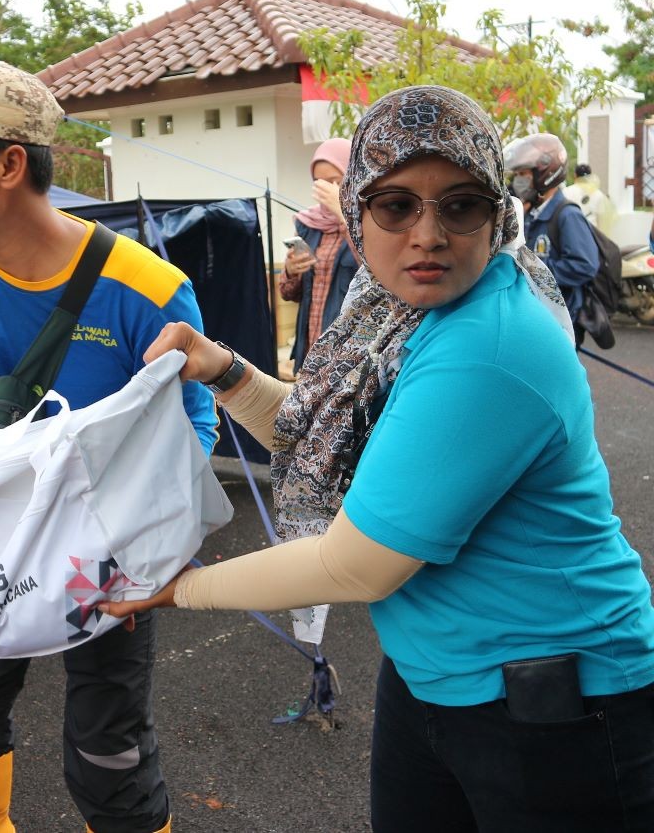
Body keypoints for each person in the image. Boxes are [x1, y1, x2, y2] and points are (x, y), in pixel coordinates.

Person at [100, 85, 654, 831]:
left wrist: (173, 588)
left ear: (498, 213)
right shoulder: (394, 311)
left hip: (559, 706)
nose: (427, 233)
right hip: (434, 677)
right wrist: (224, 370)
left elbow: (357, 564)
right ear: (357, 214)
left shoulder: (487, 344)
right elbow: (335, 447)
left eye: (459, 205)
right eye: (396, 206)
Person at [0, 59, 218, 833]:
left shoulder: (147, 288)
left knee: (107, 747)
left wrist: (155, 550)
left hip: (105, 545)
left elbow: (193, 429)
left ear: (8, 164)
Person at [505, 133, 601, 343]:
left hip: (561, 324)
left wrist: (538, 272)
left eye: (523, 174)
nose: (518, 181)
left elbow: (585, 264)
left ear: (545, 174)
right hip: (537, 316)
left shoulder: (567, 215)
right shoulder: (531, 213)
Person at [278, 137, 358, 370]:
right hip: (311, 346)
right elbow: (288, 293)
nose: (327, 189)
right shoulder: (308, 223)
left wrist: (343, 215)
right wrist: (292, 272)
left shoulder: (368, 221)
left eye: (335, 181)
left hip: (348, 350)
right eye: (319, 182)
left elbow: (375, 271)